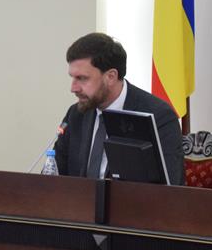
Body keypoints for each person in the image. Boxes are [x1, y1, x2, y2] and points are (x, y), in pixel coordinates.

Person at [53, 32, 184, 185]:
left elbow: (170, 187)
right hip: (80, 201)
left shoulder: (158, 116)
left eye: (82, 78)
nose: (73, 88)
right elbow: (54, 175)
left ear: (111, 76)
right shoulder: (76, 114)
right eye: (73, 77)